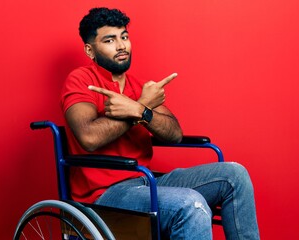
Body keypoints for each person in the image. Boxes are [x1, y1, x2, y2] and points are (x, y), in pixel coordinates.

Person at [60, 7, 260, 239]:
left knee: (235, 175)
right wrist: (142, 105)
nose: (121, 45)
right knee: (190, 204)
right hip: (106, 194)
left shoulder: (140, 87)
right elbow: (89, 138)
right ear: (90, 49)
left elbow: (174, 134)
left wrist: (140, 109)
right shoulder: (81, 80)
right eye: (110, 40)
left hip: (148, 181)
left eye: (124, 37)